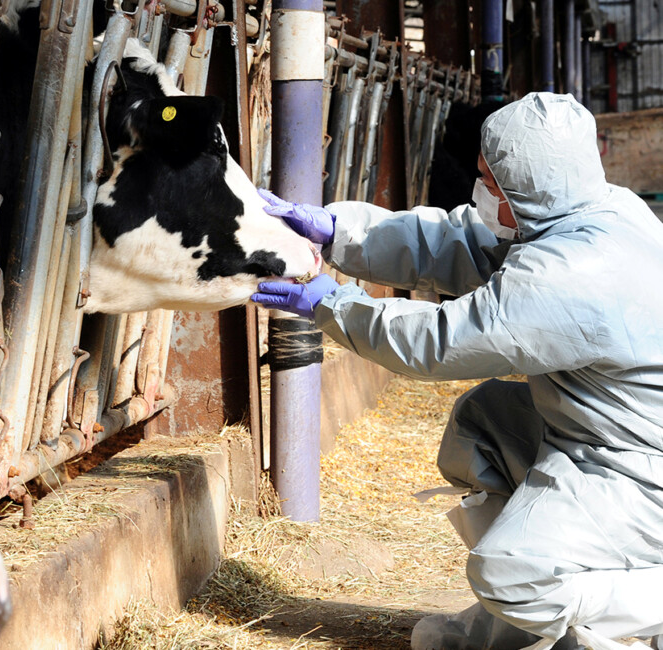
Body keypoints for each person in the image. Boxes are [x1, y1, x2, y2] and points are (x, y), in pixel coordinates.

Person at [253, 92, 663, 650]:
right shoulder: (590, 211)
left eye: (491, 183)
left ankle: (617, 612)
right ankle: (514, 632)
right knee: (483, 422)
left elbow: (442, 341)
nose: (482, 195)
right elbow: (458, 242)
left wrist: (333, 304)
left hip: (640, 474)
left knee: (510, 573)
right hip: (605, 438)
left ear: (529, 187)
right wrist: (338, 231)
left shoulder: (576, 273)